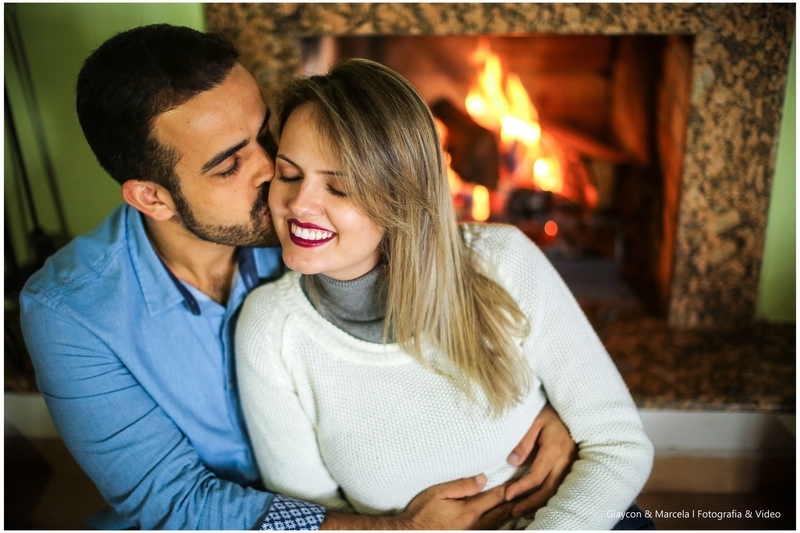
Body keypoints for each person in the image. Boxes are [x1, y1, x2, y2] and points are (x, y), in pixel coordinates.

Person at [18, 24, 577, 530]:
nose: (274, 170)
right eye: (229, 165)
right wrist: (393, 532)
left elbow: (442, 286)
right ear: (153, 197)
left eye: (267, 132)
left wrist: (535, 401)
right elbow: (175, 504)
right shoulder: (69, 313)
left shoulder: (308, 224)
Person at [235, 58, 655, 529]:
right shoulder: (271, 329)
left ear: (401, 195)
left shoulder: (500, 260)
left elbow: (618, 444)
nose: (298, 204)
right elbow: (314, 520)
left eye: (340, 187)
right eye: (289, 175)